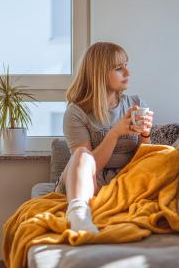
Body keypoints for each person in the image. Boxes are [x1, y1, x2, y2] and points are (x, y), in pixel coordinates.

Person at [54, 42, 154, 234]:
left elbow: (144, 161)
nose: (128, 73)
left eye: (126, 65)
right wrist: (115, 133)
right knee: (82, 154)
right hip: (86, 180)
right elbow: (89, 166)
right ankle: (78, 214)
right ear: (99, 73)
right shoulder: (76, 113)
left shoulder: (135, 103)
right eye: (119, 68)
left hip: (123, 180)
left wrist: (145, 134)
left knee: (166, 156)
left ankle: (98, 208)